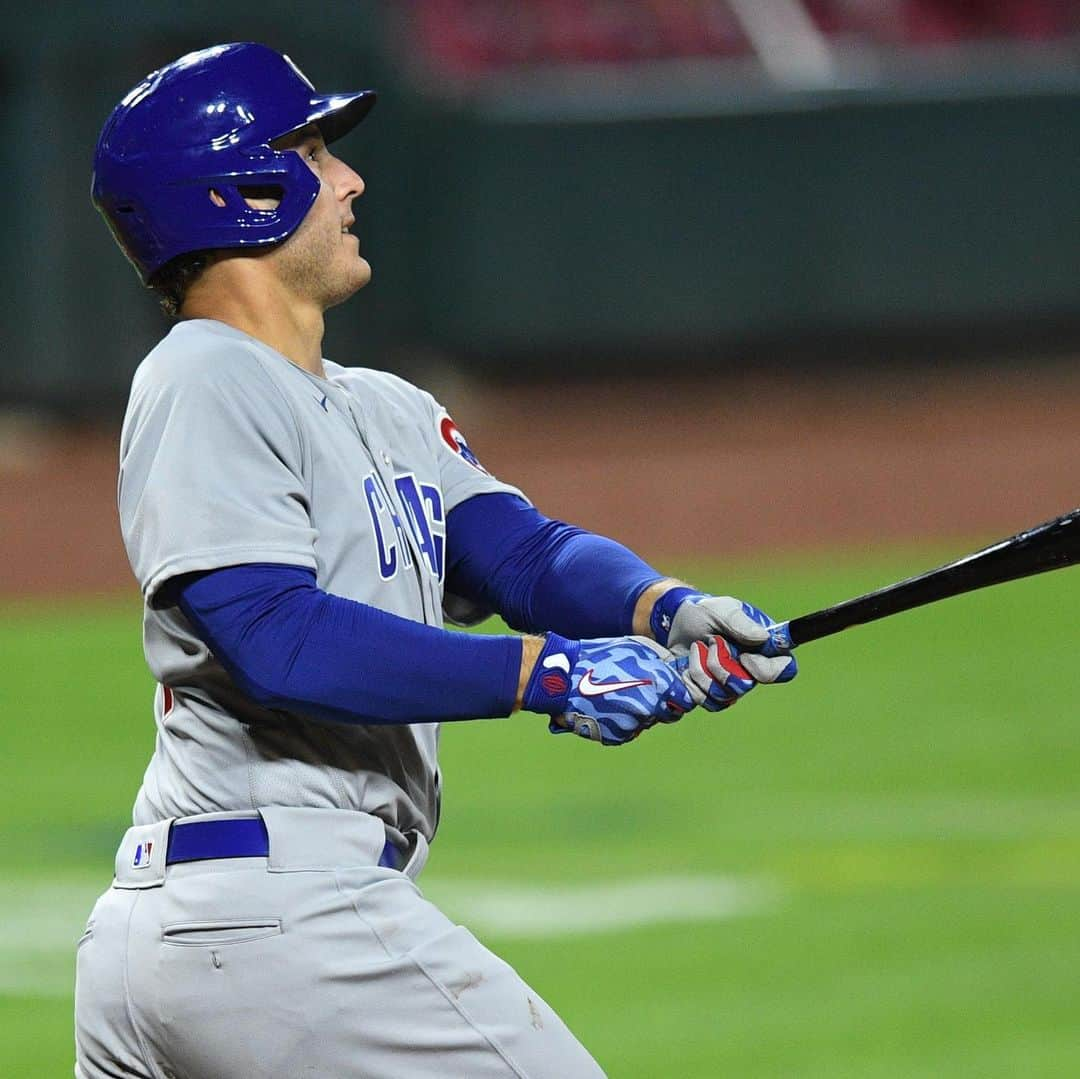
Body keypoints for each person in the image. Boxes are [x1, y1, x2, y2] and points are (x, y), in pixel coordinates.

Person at [77, 42, 797, 1079]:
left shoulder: (382, 405)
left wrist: (666, 610)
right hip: (282, 920)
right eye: (316, 152)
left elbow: (526, 556)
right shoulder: (204, 376)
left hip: (204, 933)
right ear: (240, 189)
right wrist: (546, 675)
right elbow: (276, 637)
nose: (350, 179)